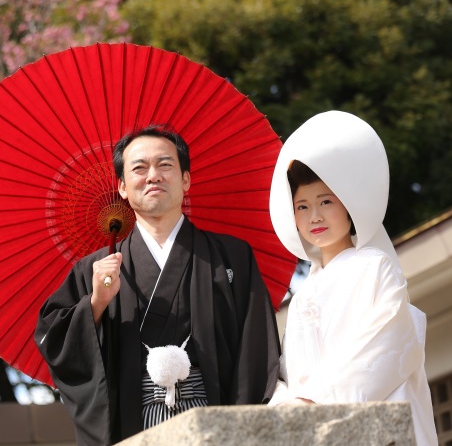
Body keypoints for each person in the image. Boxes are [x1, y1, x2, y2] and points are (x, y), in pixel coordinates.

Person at [35, 125, 281, 446]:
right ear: (122, 187)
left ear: (186, 179)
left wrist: (242, 425)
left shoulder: (232, 257)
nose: (153, 176)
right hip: (135, 424)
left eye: (165, 165)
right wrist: (95, 304)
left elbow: (257, 348)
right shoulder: (94, 270)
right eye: (139, 168)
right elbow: (55, 339)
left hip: (215, 421)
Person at [267, 111, 438, 446]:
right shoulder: (303, 296)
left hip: (372, 424)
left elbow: (390, 341)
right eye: (301, 206)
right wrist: (285, 401)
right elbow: (287, 370)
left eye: (325, 201)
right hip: (316, 431)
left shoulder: (376, 267)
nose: (314, 216)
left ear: (348, 206)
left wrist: (314, 399)